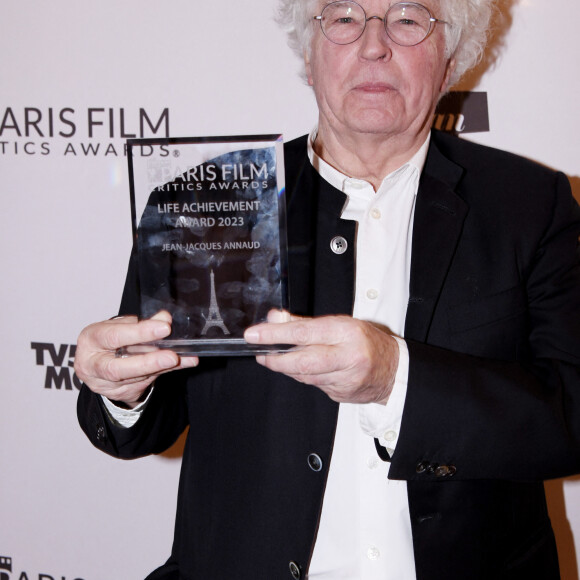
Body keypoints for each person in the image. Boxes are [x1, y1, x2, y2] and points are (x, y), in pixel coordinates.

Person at [75, 0, 580, 578]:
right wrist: (123, 391)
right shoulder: (209, 203)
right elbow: (141, 424)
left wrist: (396, 375)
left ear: (449, 63)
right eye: (343, 17)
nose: (373, 44)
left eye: (409, 19)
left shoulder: (529, 205)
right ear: (310, 59)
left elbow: (570, 415)